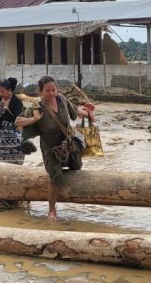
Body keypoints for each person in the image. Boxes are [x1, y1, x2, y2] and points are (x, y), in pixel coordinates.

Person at [15, 76, 94, 221]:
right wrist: (34, 119)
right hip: (51, 148)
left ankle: (69, 197)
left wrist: (88, 113)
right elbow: (18, 121)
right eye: (47, 91)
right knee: (56, 177)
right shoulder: (37, 108)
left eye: (54, 90)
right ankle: (52, 210)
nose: (51, 93)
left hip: (68, 143)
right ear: (40, 92)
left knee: (77, 166)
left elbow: (74, 110)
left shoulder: (62, 99)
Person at [0, 77, 26, 165]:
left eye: (2, 91)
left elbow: (19, 119)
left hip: (12, 132)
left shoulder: (17, 102)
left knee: (14, 156)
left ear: (9, 90)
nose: (0, 93)